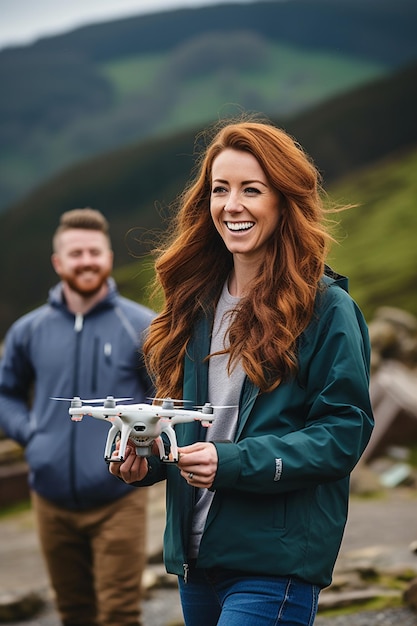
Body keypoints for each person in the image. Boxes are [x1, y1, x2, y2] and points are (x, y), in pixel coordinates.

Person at [109, 119, 374, 626]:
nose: (232, 205)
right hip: (196, 559)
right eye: (219, 190)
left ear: (283, 201)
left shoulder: (327, 308)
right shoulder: (193, 304)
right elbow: (189, 425)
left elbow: (344, 434)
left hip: (275, 560)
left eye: (251, 190)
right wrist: (147, 458)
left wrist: (233, 462)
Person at [0, 208, 155, 626]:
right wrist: (30, 434)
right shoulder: (28, 330)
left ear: (108, 256)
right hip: (49, 500)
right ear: (58, 263)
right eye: (75, 253)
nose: (86, 260)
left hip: (118, 497)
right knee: (73, 615)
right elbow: (6, 394)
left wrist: (141, 448)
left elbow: (162, 399)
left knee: (119, 615)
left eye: (94, 251)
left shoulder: (141, 325)